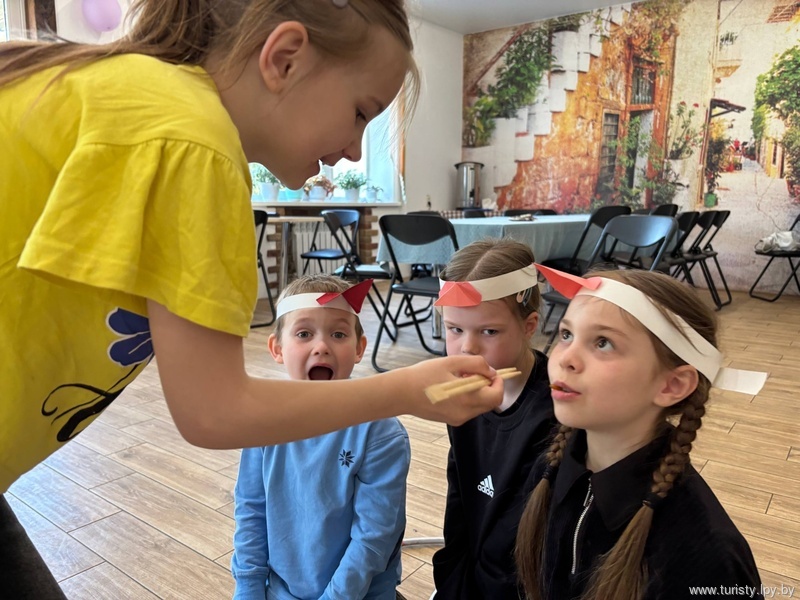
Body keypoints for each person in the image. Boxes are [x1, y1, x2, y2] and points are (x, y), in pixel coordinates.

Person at [0, 1, 503, 596]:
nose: (353, 150)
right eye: (360, 113)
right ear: (284, 59)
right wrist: (406, 390)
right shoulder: (194, 140)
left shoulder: (132, 95)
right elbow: (213, 411)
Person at [515, 265, 768, 600]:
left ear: (672, 385)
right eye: (566, 335)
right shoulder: (550, 470)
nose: (566, 358)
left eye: (603, 342)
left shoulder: (708, 553)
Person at [232, 276, 410, 599]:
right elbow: (251, 510)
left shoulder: (380, 432)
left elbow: (373, 538)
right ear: (277, 348)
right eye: (304, 334)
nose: (321, 346)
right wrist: (248, 588)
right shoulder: (263, 422)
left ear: (359, 348)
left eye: (338, 334)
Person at [431, 239, 557, 599]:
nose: (467, 348)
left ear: (529, 325)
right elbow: (460, 496)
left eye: (488, 331)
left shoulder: (555, 414)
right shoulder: (462, 393)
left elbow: (533, 539)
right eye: (454, 329)